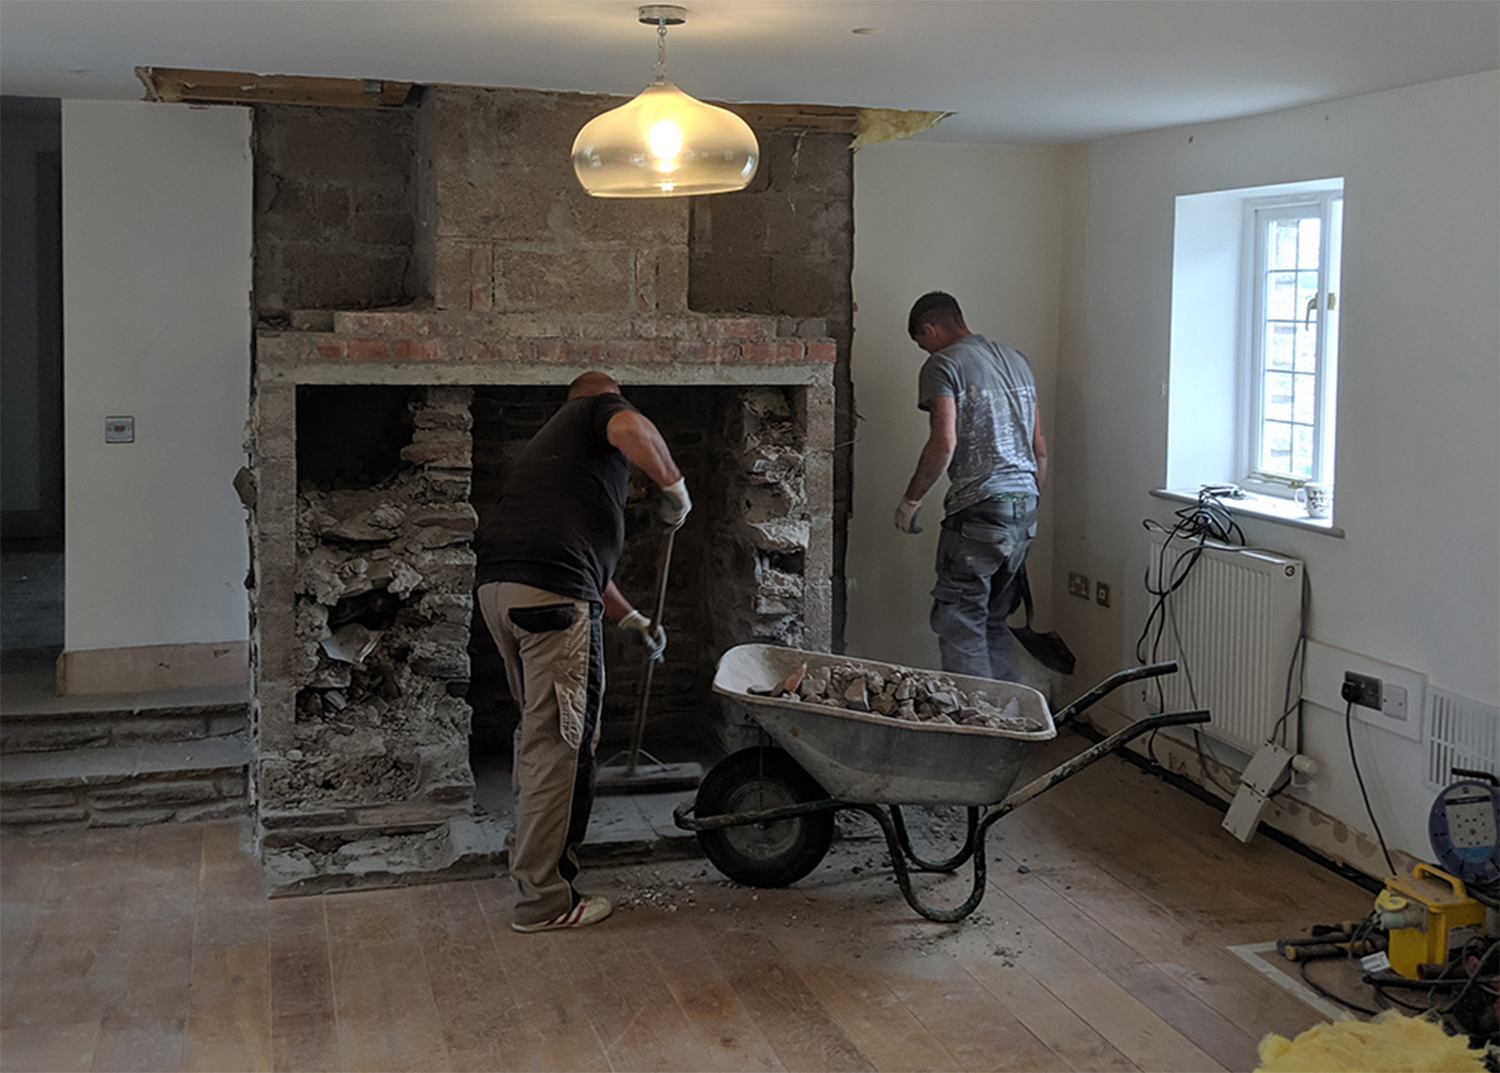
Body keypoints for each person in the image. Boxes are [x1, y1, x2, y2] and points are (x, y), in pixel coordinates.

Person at [474, 371, 690, 932]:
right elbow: (634, 427)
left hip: (503, 592)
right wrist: (675, 488)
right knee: (562, 744)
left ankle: (527, 859)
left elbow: (581, 563)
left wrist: (632, 618)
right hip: (551, 598)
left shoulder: (549, 455)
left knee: (539, 732)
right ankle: (544, 899)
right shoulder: (598, 413)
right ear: (600, 398)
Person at [894, 291, 1047, 682]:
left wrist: (911, 500)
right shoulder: (1018, 362)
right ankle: (1010, 725)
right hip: (1024, 507)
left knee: (961, 626)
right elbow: (1039, 450)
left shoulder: (943, 364)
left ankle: (975, 730)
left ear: (930, 329)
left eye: (921, 342)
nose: (924, 351)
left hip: (979, 509)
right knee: (994, 623)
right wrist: (1023, 510)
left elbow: (944, 444)